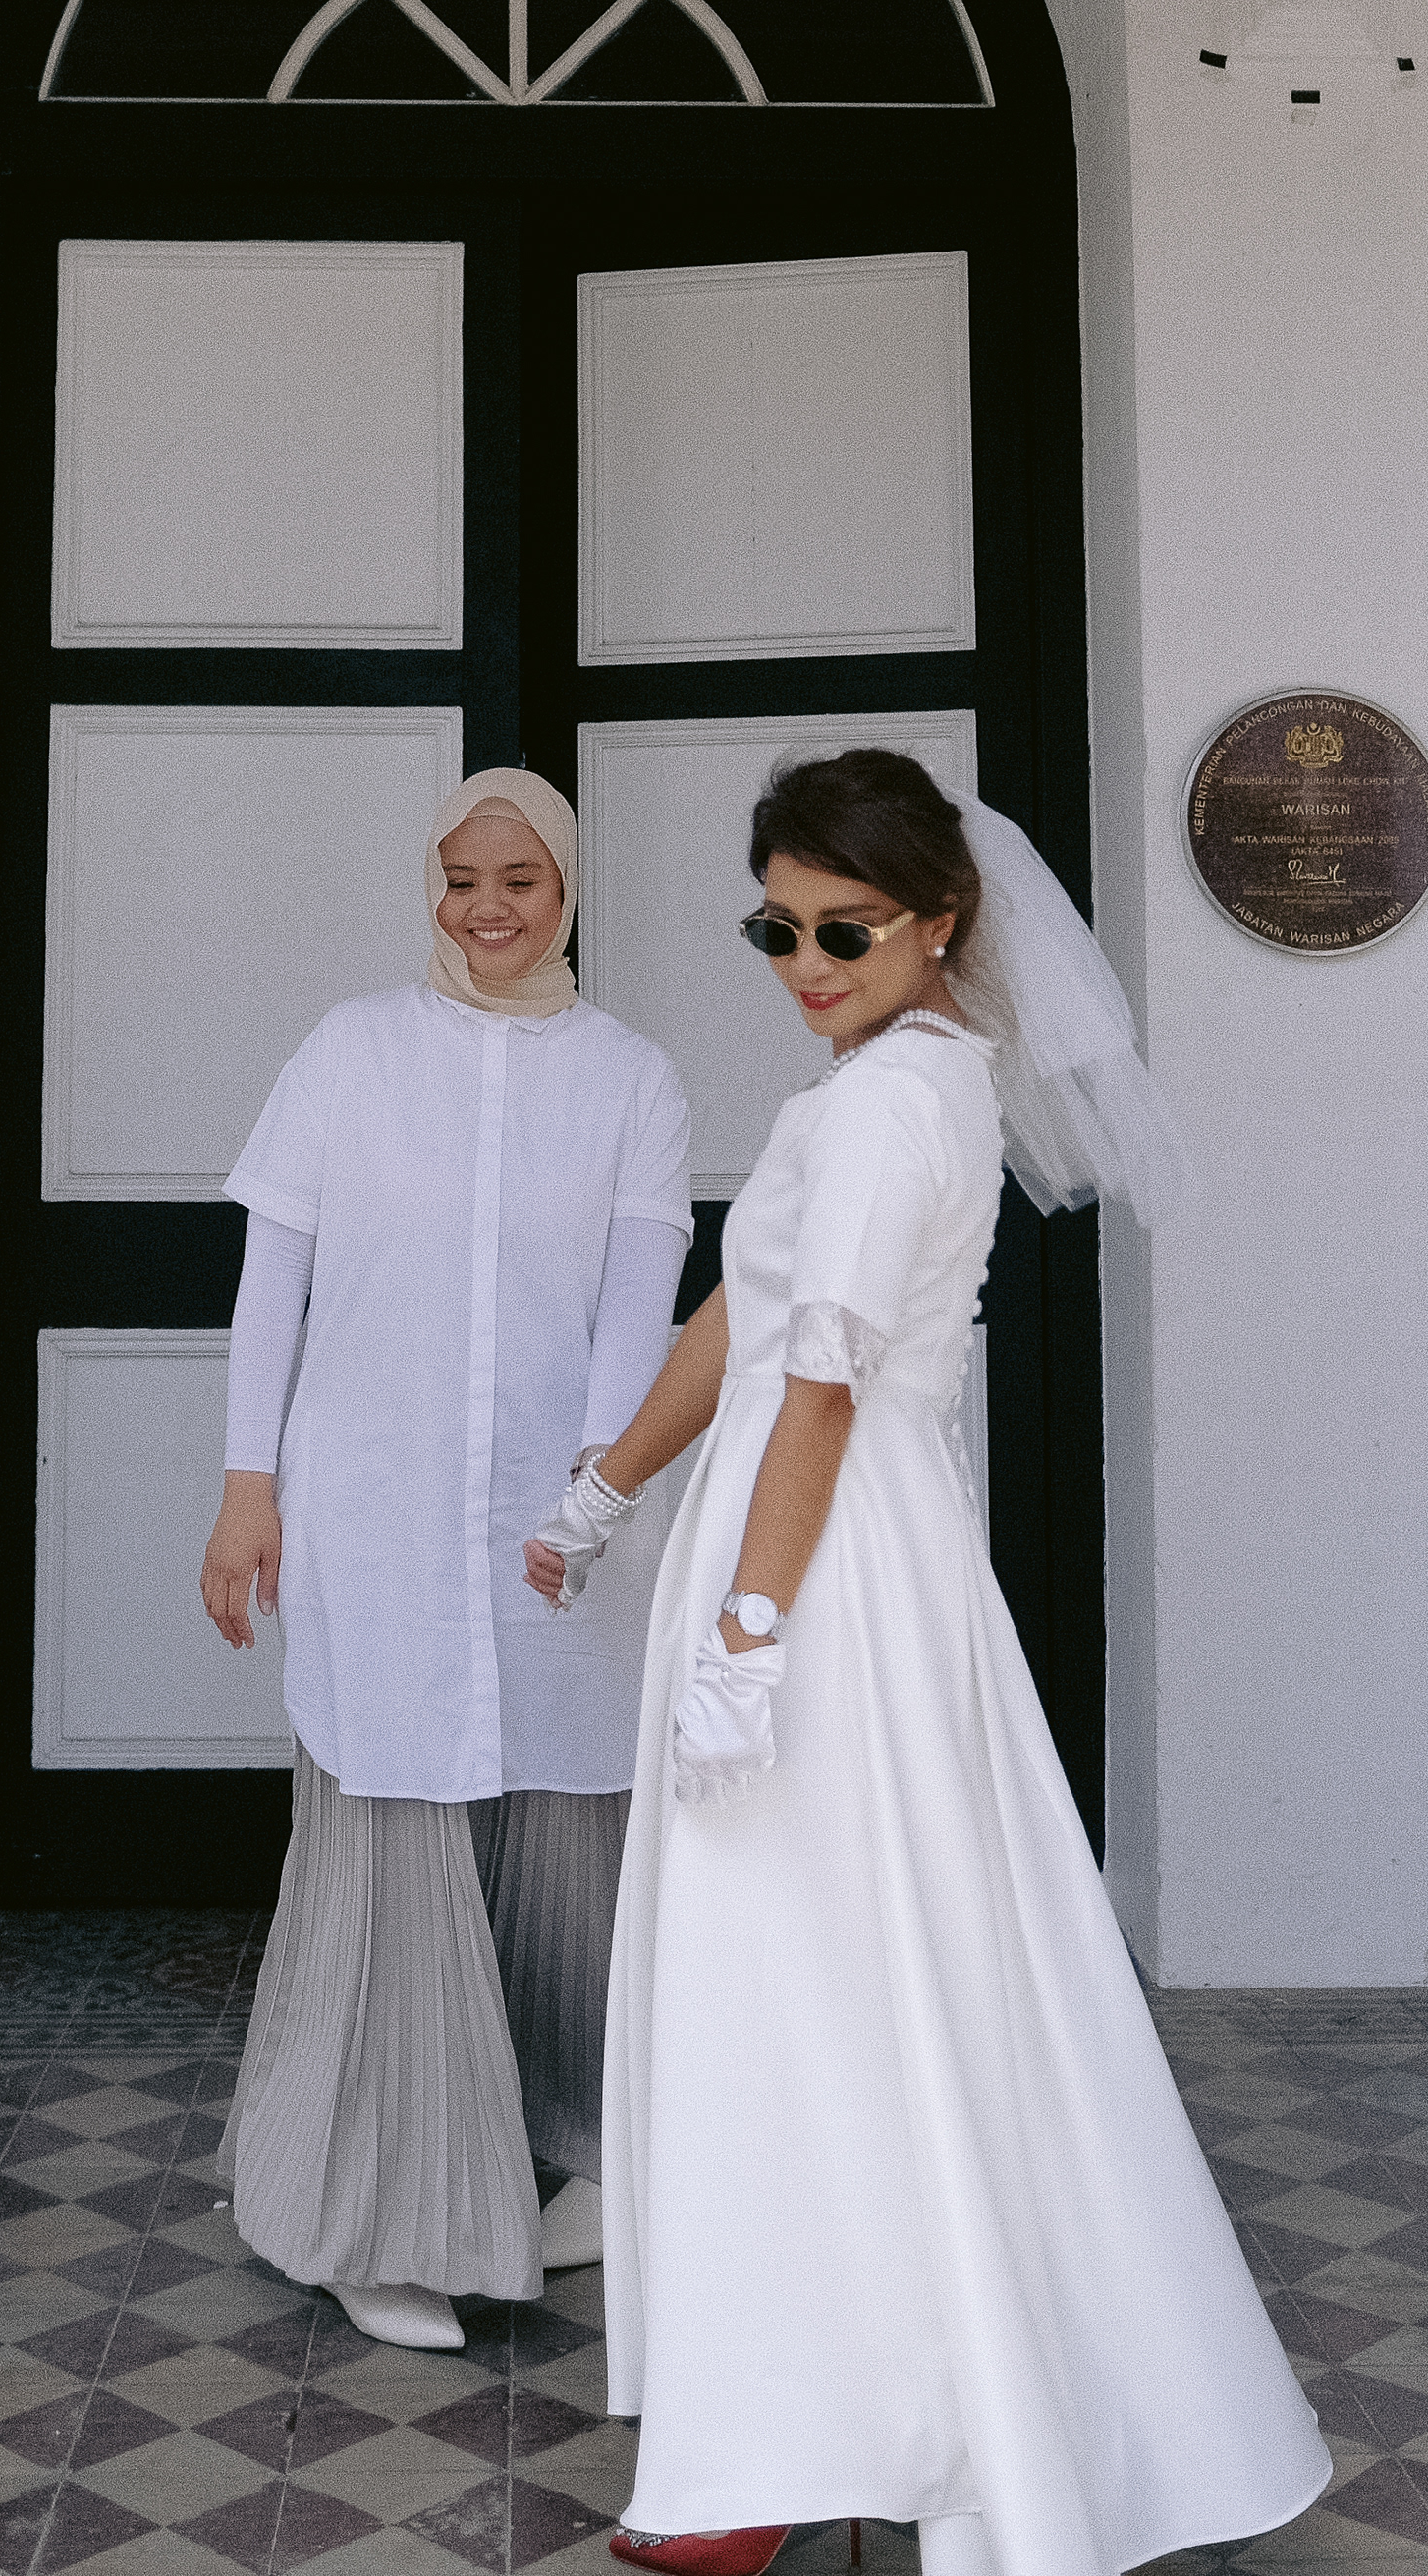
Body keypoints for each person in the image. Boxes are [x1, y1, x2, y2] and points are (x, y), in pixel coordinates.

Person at [525, 749, 1329, 2576]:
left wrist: (748, 1635)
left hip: (827, 1578)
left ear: (940, 921)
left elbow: (818, 1383)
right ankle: (784, 2435)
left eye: (846, 928)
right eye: (776, 928)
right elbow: (741, 1315)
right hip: (815, 1544)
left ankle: (798, 2448)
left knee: (800, 1991)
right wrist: (606, 1482)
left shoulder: (898, 1103)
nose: (805, 962)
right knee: (821, 1989)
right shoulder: (867, 1085)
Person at [201, 765, 692, 2352]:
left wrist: (598, 1492)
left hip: (561, 1514)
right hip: (374, 1507)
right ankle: (376, 2208)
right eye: (463, 879)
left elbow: (637, 1312)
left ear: (568, 890)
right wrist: (247, 1486)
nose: (489, 909)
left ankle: (592, 2154)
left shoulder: (630, 1079)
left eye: (521, 881)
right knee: (396, 1814)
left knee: (570, 1814)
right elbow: (272, 1278)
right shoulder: (349, 1052)